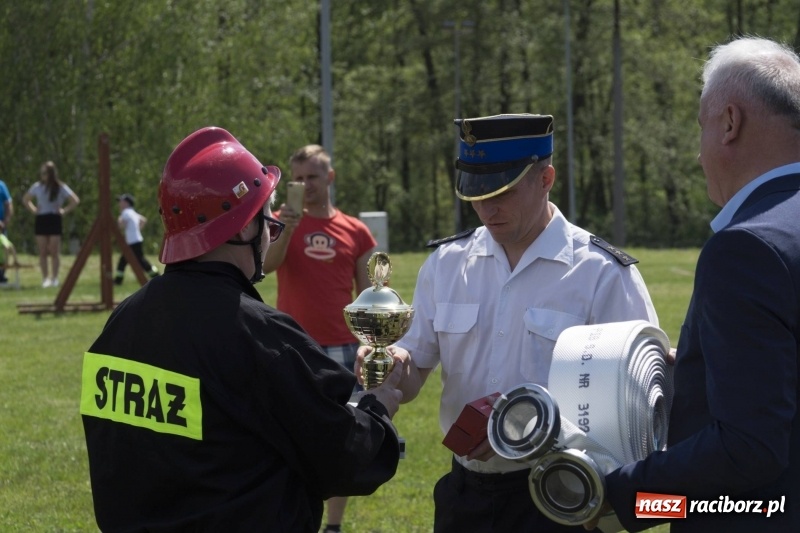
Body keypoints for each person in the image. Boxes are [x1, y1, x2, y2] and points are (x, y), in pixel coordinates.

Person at [80, 127, 403, 532]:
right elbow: (345, 459)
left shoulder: (119, 325)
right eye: (265, 218)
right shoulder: (263, 336)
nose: (271, 230)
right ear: (241, 229)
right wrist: (380, 403)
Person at [355, 113, 659, 533]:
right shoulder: (446, 264)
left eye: (503, 191)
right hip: (465, 496)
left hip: (559, 495)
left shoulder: (601, 273)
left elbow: (641, 411)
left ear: (546, 178)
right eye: (477, 193)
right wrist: (390, 362)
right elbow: (412, 375)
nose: (487, 208)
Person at [593, 36, 800, 533]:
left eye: (700, 126)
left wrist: (616, 499)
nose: (698, 152)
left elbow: (747, 449)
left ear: (729, 123)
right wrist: (699, 363)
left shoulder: (748, 247)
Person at [263, 144, 377, 533]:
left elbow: (369, 297)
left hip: (343, 348)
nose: (304, 185)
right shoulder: (279, 222)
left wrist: (370, 342)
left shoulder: (356, 231)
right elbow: (266, 265)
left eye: (312, 177)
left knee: (341, 439)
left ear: (329, 178)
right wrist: (288, 227)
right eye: (297, 179)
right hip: (291, 345)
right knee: (288, 434)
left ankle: (333, 525)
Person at [22, 161, 80, 288]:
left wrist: (64, 210)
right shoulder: (37, 187)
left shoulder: (60, 187)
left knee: (54, 251)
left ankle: (54, 278)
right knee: (42, 251)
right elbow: (26, 199)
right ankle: (45, 278)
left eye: (45, 173)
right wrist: (34, 210)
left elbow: (75, 200)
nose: (42, 175)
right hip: (41, 218)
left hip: (54, 218)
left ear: (51, 174)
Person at [113, 193, 159, 284]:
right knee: (125, 260)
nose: (119, 204)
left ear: (126, 203)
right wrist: (137, 230)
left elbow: (121, 224)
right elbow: (143, 220)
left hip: (132, 241)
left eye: (121, 202)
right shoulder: (132, 212)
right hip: (136, 240)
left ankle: (156, 276)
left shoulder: (125, 212)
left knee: (140, 261)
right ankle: (118, 280)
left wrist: (119, 219)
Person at [0, 178, 12, 284]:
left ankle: (1, 275)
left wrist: (6, 221)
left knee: (3, 250)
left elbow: (8, 204)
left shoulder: (1, 185)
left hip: (0, 225)